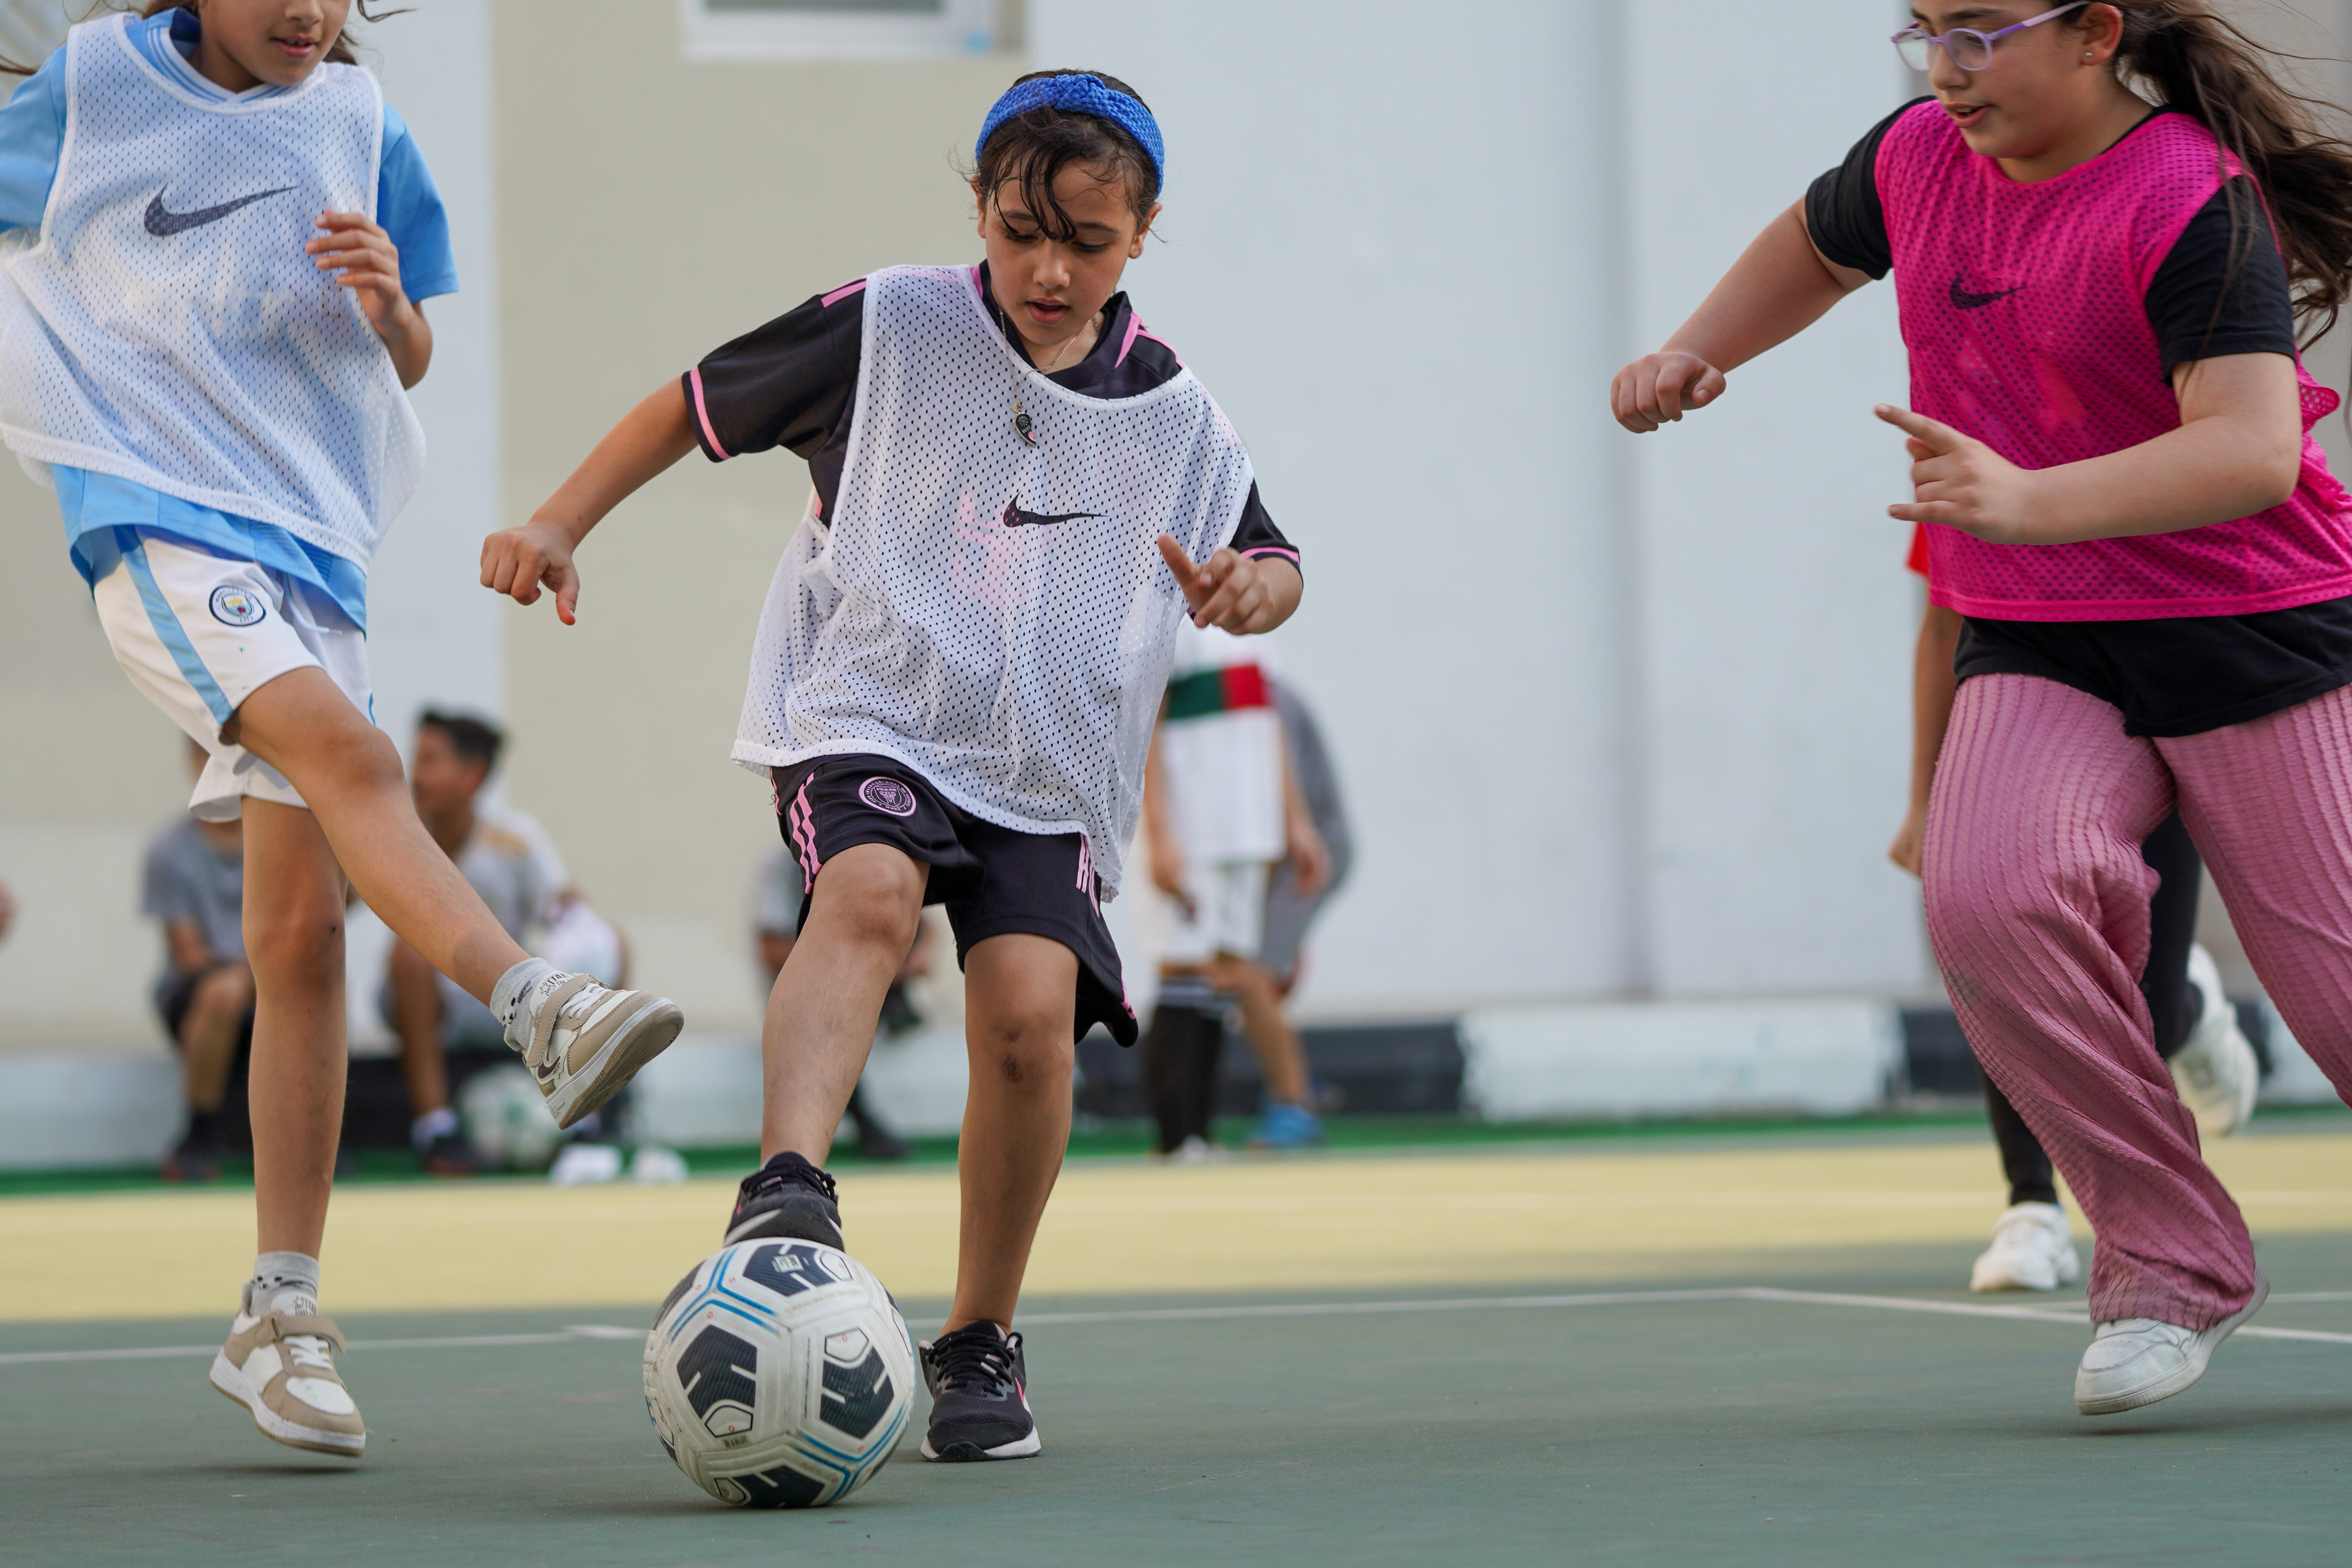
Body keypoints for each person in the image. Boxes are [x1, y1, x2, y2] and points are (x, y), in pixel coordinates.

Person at [482, 69, 1302, 1464]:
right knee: (863, 891)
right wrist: (561, 519)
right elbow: (691, 405)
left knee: (1030, 1022)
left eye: (1086, 241)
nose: (1047, 267)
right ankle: (788, 1191)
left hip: (1046, 759)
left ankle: (981, 1332)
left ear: (1143, 234)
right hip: (866, 698)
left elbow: (1274, 562)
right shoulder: (890, 325)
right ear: (977, 205)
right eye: (1018, 227)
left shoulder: (1175, 411)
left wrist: (1244, 592)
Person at [1614, 0, 2352, 1416]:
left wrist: (2029, 502)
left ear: (2094, 35)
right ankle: (2168, 1263)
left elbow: (2255, 449)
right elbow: (1813, 247)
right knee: (1983, 897)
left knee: (2333, 999)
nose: (1944, 71)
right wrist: (1699, 346)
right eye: (1924, 33)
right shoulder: (1915, 157)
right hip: (2044, 630)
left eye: (1980, 35)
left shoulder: (2190, 197)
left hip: (2247, 627)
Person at [0, 0, 684, 1458]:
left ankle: (280, 1317)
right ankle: (537, 1005)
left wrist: (390, 310)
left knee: (302, 939)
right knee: (362, 762)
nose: (309, 10)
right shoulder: (93, 88)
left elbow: (412, 355)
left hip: (313, 547)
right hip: (160, 524)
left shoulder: (359, 125)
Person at [1889, 529, 2261, 1292]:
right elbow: (1942, 626)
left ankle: (2184, 1008)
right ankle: (2031, 1204)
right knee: (2007, 944)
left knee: (2143, 1024)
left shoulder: (2165, 455)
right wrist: (1924, 800)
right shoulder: (1977, 449)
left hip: (2160, 717)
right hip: (2029, 723)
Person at [1140, 625, 1332, 1156]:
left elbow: (1269, 731)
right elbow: (1145, 726)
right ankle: (1175, 1140)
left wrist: (1296, 823)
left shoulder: (1250, 631)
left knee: (1225, 972)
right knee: (1183, 965)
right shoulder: (1167, 620)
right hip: (1192, 829)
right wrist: (1160, 833)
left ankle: (1199, 1135)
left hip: (1247, 829)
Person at [380, 710, 579, 1174]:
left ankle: (583, 1118)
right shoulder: (393, 834)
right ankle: (435, 1128)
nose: (417, 775)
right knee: (410, 954)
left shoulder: (517, 839)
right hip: (427, 999)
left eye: (430, 760)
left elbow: (562, 915)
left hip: (504, 995)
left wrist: (573, 910)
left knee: (606, 946)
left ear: (472, 775)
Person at [752, 845, 916, 1161]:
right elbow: (770, 949)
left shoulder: (880, 855)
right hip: (816, 982)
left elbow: (924, 938)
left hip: (866, 978)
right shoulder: (780, 868)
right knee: (828, 1019)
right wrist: (840, 959)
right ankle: (856, 1125)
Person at [145, 737, 255, 1183]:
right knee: (222, 991)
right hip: (201, 989)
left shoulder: (287, 838)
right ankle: (200, 1133)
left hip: (269, 980)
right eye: (208, 756)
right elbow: (189, 954)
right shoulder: (169, 850)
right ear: (193, 763)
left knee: (319, 982)